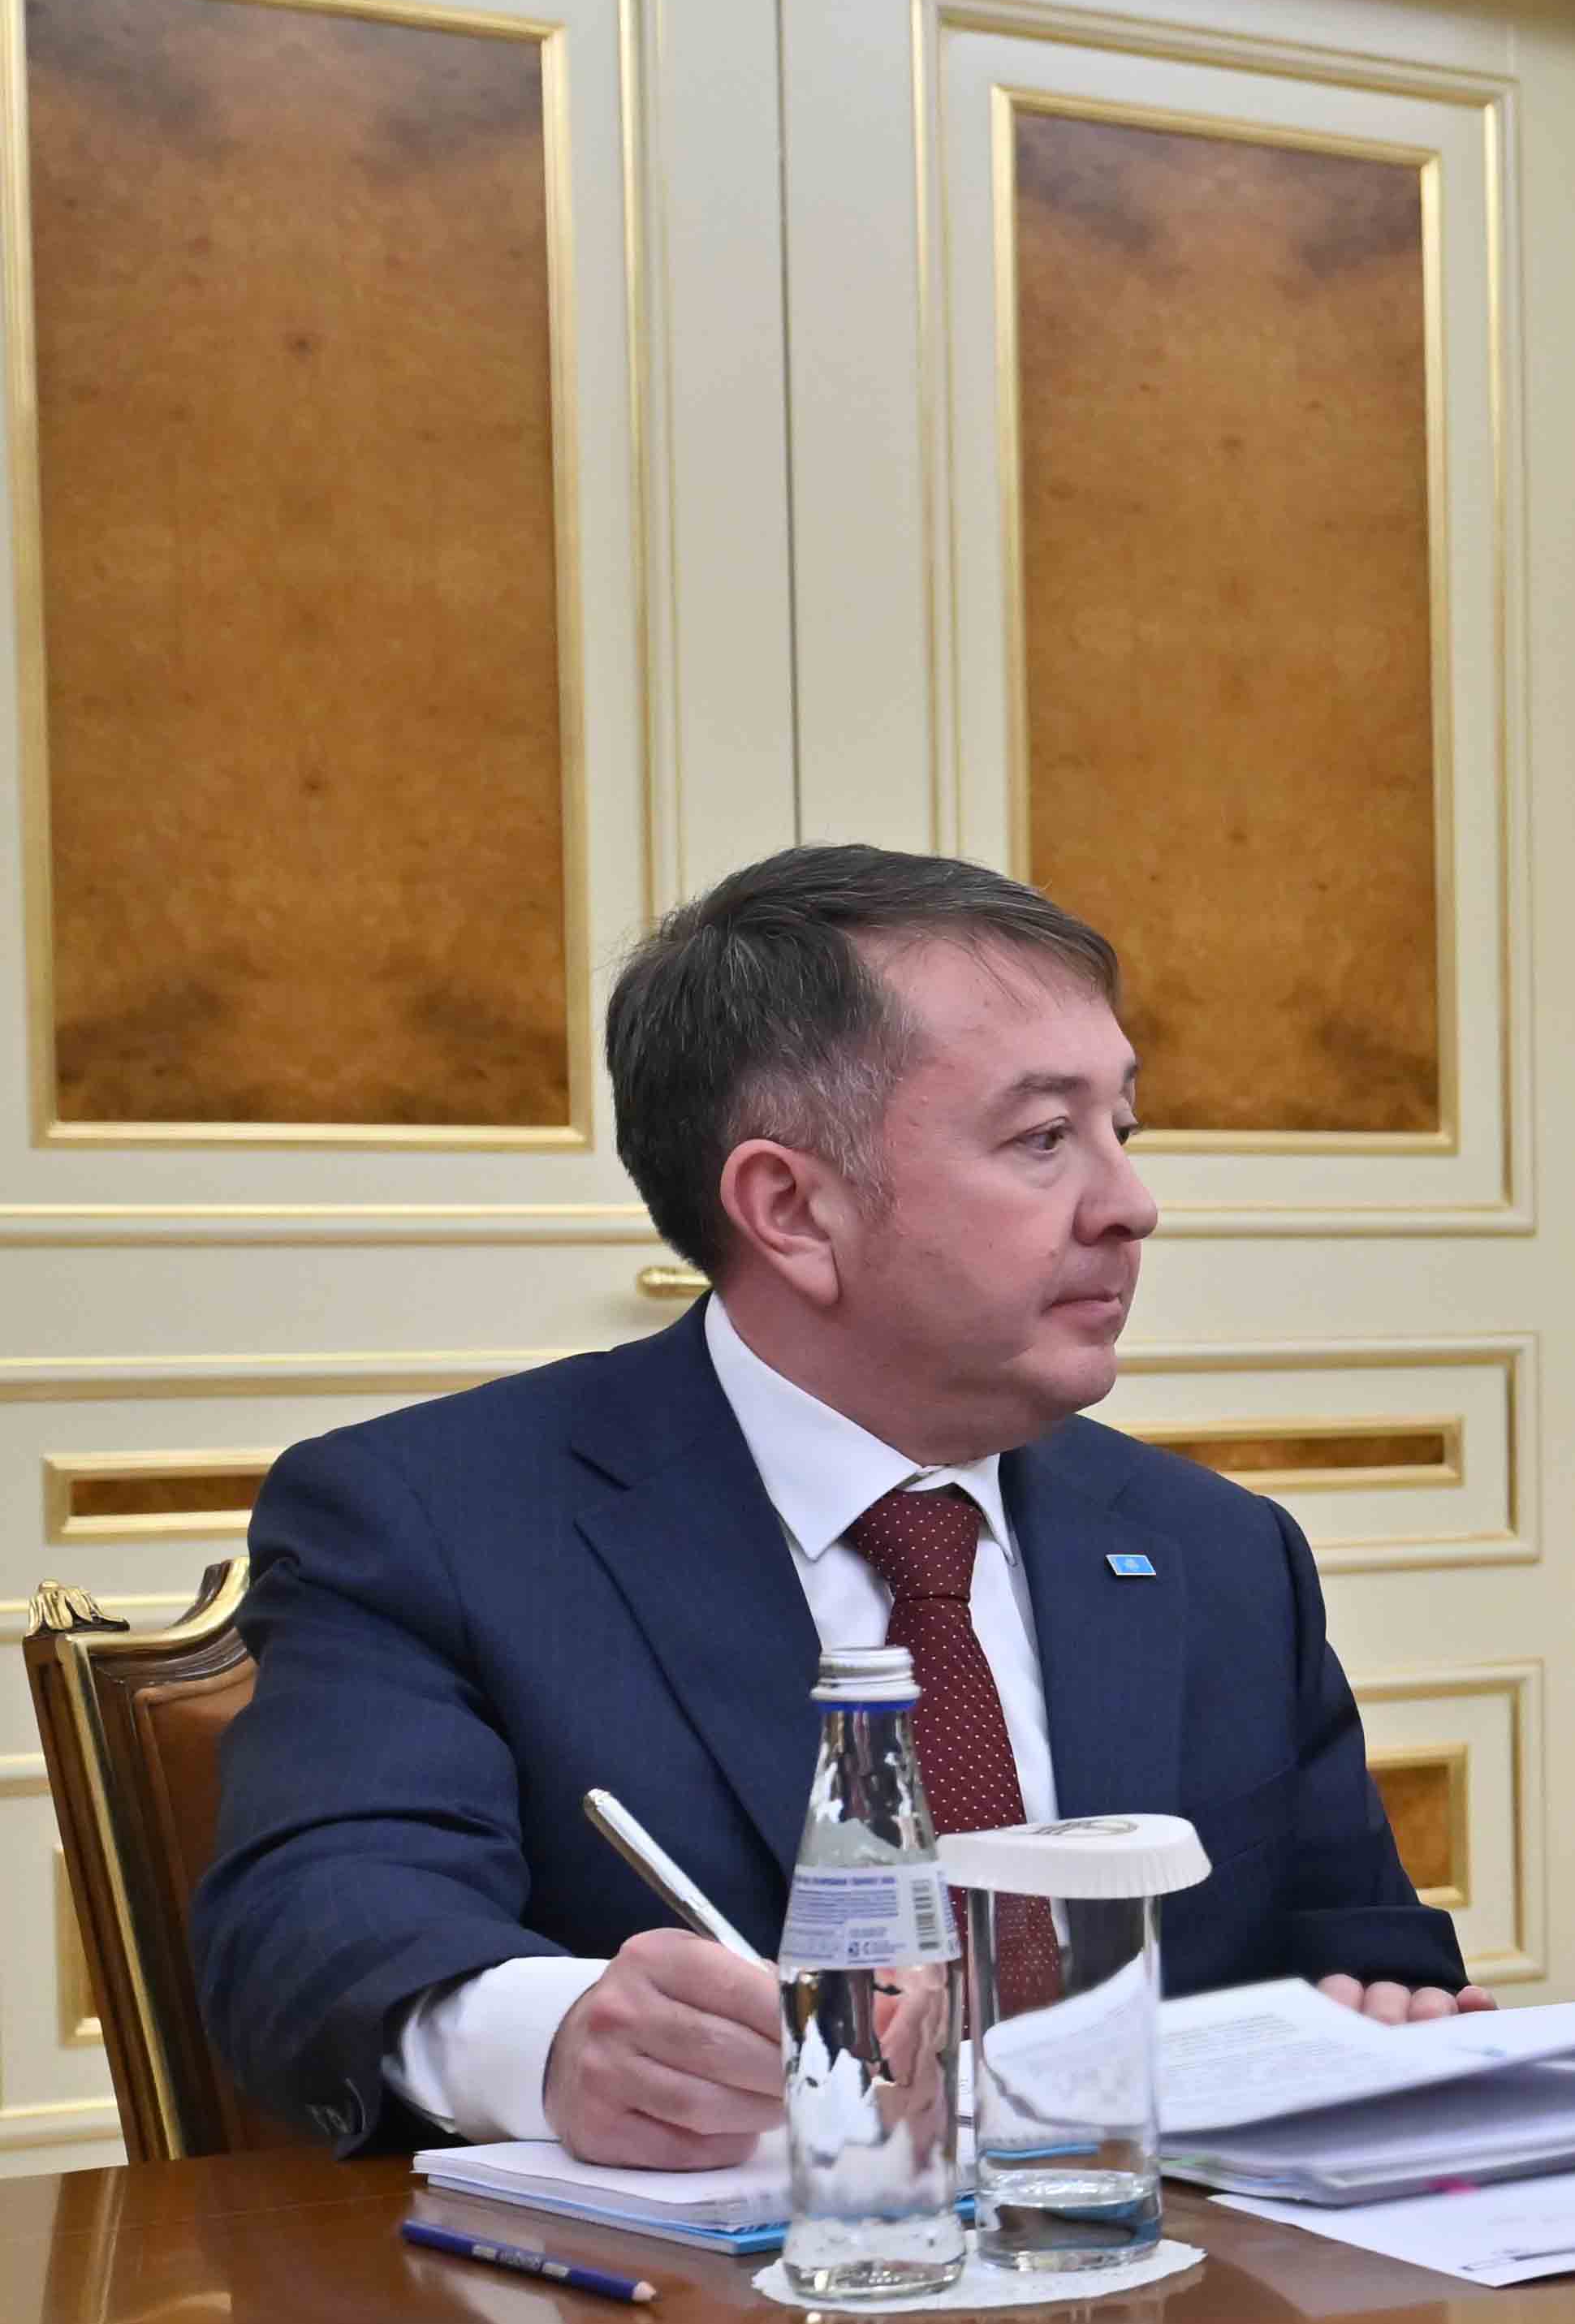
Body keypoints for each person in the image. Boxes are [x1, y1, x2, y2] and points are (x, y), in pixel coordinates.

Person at [195, 847, 1474, 2170]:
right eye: (1044, 1138)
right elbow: (317, 1923)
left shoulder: (1217, 1548)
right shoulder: (435, 1522)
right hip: (717, 2294)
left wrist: (1392, 2023)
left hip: (1156, 2283)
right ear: (791, 1208)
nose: (1131, 1205)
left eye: (1122, 1130)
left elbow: (1363, 1953)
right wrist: (561, 2038)